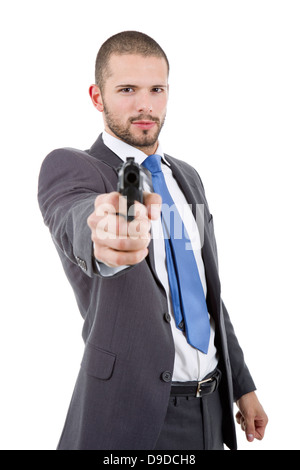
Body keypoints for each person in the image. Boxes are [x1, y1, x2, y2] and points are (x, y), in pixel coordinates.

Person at [38, 31, 268, 450]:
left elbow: (203, 293)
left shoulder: (188, 178)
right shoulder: (74, 169)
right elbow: (77, 220)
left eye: (156, 90)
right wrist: (104, 234)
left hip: (212, 409)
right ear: (97, 96)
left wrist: (242, 385)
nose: (144, 105)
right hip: (135, 415)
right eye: (126, 89)